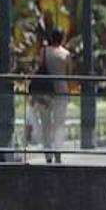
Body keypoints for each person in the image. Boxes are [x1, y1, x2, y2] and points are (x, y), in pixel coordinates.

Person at [30, 29, 71, 163]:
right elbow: (68, 74)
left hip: (45, 92)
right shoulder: (66, 54)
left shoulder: (44, 51)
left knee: (46, 124)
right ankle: (58, 152)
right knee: (59, 124)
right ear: (62, 39)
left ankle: (48, 154)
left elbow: (40, 68)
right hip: (61, 92)